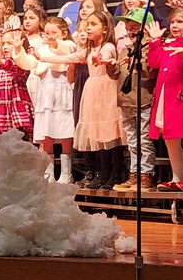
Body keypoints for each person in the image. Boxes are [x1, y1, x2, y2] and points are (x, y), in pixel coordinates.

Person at [42, 12, 124, 189]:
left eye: (93, 24)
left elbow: (108, 56)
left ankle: (115, 173)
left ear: (104, 28)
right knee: (97, 134)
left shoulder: (108, 46)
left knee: (110, 133)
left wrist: (103, 60)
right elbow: (66, 58)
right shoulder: (88, 49)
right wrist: (41, 57)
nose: (88, 27)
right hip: (93, 92)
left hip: (106, 90)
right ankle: (102, 173)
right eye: (87, 24)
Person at [147, 6, 183, 192]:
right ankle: (177, 176)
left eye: (180, 22)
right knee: (170, 137)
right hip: (167, 96)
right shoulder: (167, 44)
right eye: (172, 22)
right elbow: (154, 62)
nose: (175, 26)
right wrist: (155, 41)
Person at [112, 10, 155, 192]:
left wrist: (137, 58)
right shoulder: (127, 50)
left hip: (144, 101)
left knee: (144, 141)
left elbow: (150, 71)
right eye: (128, 29)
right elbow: (116, 74)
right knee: (132, 142)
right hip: (126, 102)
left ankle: (147, 175)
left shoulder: (148, 49)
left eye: (134, 29)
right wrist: (110, 66)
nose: (130, 33)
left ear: (145, 30)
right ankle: (134, 174)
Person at [30, 17, 76, 183]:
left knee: (64, 131)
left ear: (63, 33)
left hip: (61, 90)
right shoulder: (43, 49)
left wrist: (53, 45)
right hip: (46, 92)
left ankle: (66, 173)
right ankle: (49, 172)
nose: (49, 36)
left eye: (54, 33)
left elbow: (62, 51)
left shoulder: (68, 45)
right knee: (46, 132)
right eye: (47, 33)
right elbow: (30, 64)